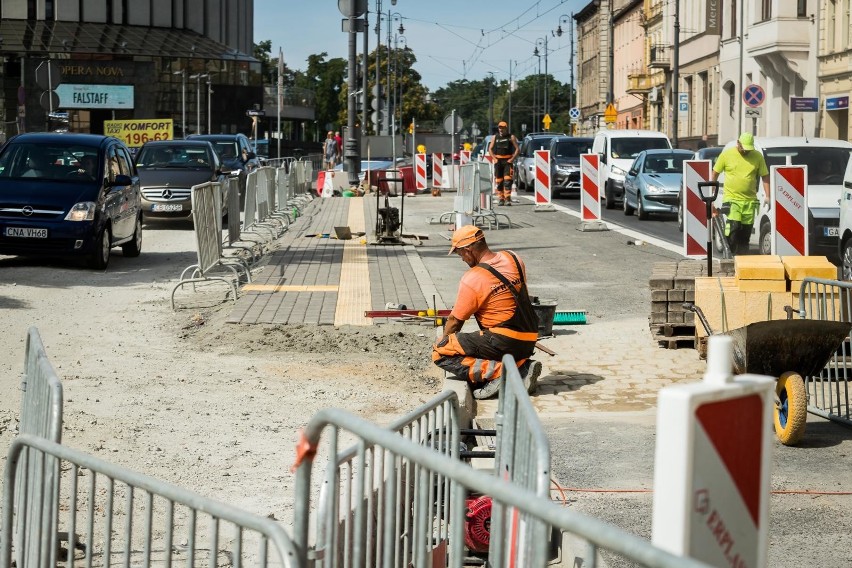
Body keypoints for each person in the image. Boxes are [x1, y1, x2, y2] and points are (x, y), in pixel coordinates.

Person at [432, 225, 542, 400]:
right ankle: (522, 365)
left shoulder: (473, 278)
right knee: (475, 341)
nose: (461, 259)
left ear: (468, 250)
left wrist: (445, 341)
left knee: (440, 352)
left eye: (460, 254)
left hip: (504, 341)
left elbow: (455, 321)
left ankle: (502, 373)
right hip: (529, 338)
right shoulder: (514, 258)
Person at [711, 132, 769, 256]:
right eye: (744, 148)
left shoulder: (757, 156)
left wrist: (768, 195)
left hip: (750, 202)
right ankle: (730, 254)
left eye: (749, 149)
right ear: (738, 143)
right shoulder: (727, 155)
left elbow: (765, 176)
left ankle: (742, 258)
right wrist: (711, 190)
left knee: (745, 233)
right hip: (732, 200)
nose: (746, 152)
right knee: (734, 227)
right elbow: (715, 172)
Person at [488, 121, 520, 206]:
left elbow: (517, 149)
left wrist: (512, 159)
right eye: (500, 128)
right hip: (498, 161)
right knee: (499, 180)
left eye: (502, 128)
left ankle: (508, 198)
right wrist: (494, 158)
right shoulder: (495, 137)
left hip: (507, 161)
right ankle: (501, 198)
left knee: (507, 180)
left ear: (506, 128)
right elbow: (490, 149)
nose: (501, 129)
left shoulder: (511, 137)